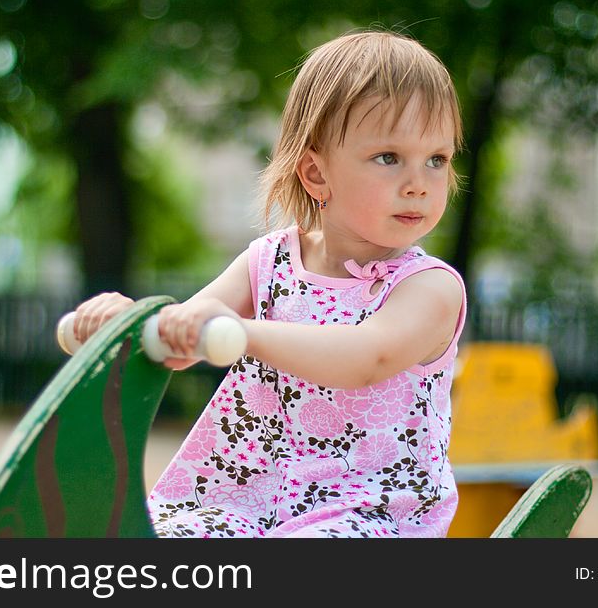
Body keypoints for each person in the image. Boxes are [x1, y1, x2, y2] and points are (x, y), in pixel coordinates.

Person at [73, 30, 466, 537]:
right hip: (248, 498)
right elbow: (179, 344)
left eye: (437, 159)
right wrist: (127, 326)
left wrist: (244, 333)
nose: (419, 182)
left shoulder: (429, 288)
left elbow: (368, 357)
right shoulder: (270, 261)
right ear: (316, 174)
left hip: (370, 513)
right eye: (389, 157)